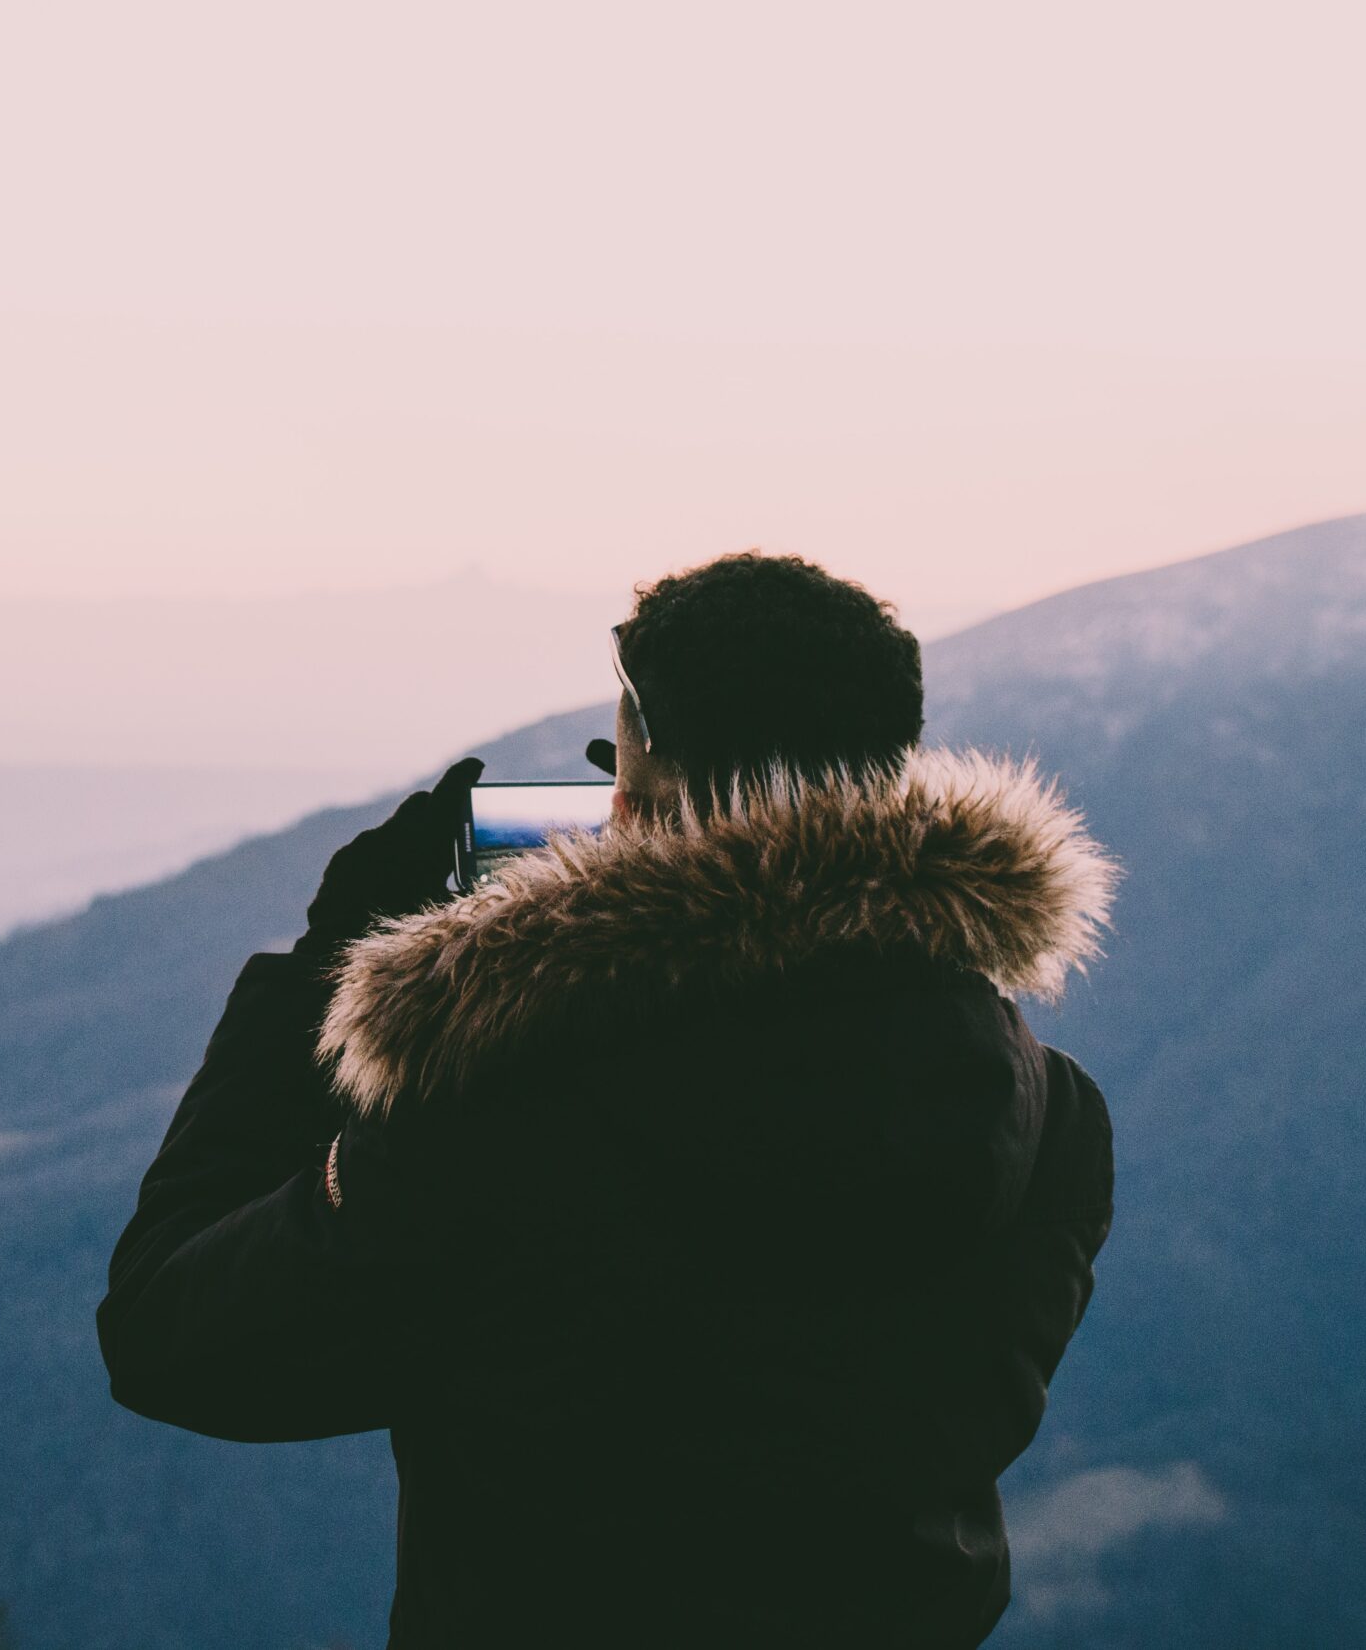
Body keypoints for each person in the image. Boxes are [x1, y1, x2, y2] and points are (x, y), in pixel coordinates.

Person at [97, 552, 1119, 1648]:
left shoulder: (508, 1120)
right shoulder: (1050, 1119)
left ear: (653, 788)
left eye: (621, 752)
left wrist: (316, 979)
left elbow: (170, 1337)